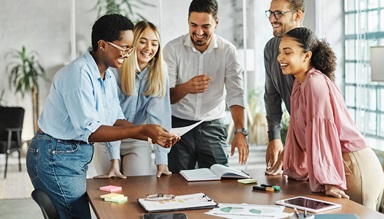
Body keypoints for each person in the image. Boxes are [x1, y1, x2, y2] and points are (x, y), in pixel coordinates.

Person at [26, 14, 179, 219]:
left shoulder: (105, 75)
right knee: (77, 216)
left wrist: (153, 135)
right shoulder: (79, 74)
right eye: (124, 47)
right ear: (102, 45)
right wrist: (142, 129)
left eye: (130, 48)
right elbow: (91, 130)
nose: (128, 53)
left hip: (70, 154)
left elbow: (115, 119)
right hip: (55, 155)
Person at [268, 27, 384, 210]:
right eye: (280, 52)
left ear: (307, 56)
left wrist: (329, 180)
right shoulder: (300, 84)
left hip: (352, 166)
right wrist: (288, 162)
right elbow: (298, 131)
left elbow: (323, 134)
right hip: (338, 164)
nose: (280, 57)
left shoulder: (315, 83)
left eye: (287, 52)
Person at [163, 0, 249, 174]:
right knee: (177, 184)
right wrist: (186, 87)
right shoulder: (172, 49)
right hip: (178, 126)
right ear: (187, 21)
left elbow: (235, 93)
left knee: (220, 182)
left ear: (216, 23)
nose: (199, 32)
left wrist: (240, 131)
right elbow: (166, 98)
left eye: (206, 26)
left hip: (212, 126)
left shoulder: (228, 51)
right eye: (193, 25)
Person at [91, 21, 172, 178]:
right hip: (107, 138)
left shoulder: (160, 72)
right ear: (132, 44)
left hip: (137, 139)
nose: (149, 48)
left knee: (138, 187)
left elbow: (159, 117)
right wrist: (114, 160)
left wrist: (162, 161)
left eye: (154, 44)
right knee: (111, 190)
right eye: (142, 42)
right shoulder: (115, 69)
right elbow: (110, 118)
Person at [264, 0, 305, 174]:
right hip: (298, 138)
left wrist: (291, 147)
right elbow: (271, 96)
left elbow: (316, 116)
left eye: (279, 13)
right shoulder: (271, 48)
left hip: (319, 142)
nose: (272, 19)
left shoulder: (312, 50)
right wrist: (274, 137)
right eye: (270, 13)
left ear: (297, 16)